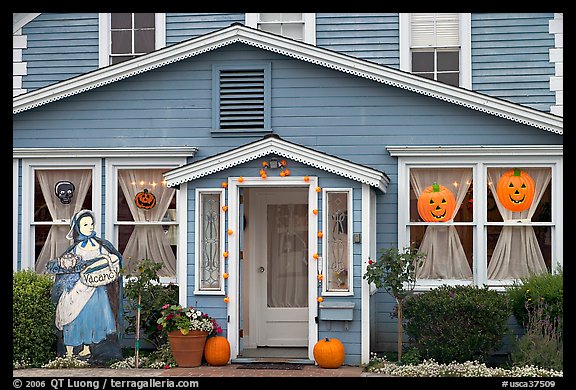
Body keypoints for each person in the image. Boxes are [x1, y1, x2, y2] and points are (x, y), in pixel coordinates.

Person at [46, 209, 122, 358]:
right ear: (78, 227)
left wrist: (112, 260)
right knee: (73, 317)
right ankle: (69, 351)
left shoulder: (101, 246)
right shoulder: (74, 249)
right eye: (85, 224)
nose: (90, 227)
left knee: (92, 319)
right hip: (77, 289)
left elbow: (113, 261)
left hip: (96, 289)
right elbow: (66, 268)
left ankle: (87, 348)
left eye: (91, 223)